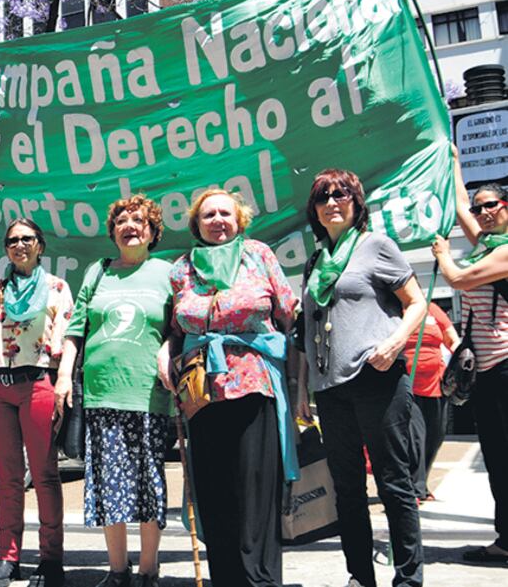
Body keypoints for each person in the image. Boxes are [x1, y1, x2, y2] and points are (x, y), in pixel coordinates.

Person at [296, 169, 426, 587]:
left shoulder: (376, 246)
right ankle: (360, 576)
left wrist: (394, 344)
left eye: (341, 195)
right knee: (347, 488)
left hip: (377, 379)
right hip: (330, 389)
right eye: (323, 197)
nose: (332, 203)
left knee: (393, 483)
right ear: (314, 210)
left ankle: (408, 578)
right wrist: (303, 388)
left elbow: (417, 302)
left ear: (357, 202)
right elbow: (306, 331)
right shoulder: (315, 262)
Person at [165, 190, 297, 587]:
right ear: (196, 224)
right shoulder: (182, 268)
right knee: (214, 490)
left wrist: (298, 381)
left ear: (239, 220)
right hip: (201, 392)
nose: (218, 220)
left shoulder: (258, 255)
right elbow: (176, 326)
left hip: (255, 384)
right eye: (208, 215)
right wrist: (164, 353)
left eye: (225, 213)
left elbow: (287, 313)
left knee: (255, 489)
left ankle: (260, 580)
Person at [56, 195, 174, 587]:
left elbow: (179, 325)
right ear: (113, 233)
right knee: (110, 486)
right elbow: (76, 328)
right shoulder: (98, 271)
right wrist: (63, 375)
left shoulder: (167, 273)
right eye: (121, 221)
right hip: (100, 395)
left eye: (138, 220)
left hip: (147, 395)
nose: (129, 226)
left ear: (152, 231)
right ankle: (118, 570)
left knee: (149, 484)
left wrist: (169, 348)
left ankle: (148, 570)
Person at [0, 218, 73, 587]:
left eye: (27, 239)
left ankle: (50, 559)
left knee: (45, 474)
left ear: (39, 245)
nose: (19, 245)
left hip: (38, 384)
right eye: (12, 240)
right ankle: (8, 557)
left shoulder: (57, 288)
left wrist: (62, 381)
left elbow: (66, 337)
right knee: (8, 478)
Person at [430, 150, 507, 563]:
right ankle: (505, 540)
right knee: (497, 457)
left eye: (491, 205)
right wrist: (452, 158)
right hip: (489, 373)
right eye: (480, 208)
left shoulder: (504, 251)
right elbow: (460, 204)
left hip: (506, 366)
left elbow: (458, 279)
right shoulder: (486, 245)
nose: (482, 213)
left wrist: (443, 253)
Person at [404, 302, 458, 502]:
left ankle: (421, 483)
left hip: (436, 383)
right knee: (416, 438)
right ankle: (414, 489)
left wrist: (462, 359)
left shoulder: (433, 309)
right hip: (407, 384)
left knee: (435, 437)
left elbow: (452, 339)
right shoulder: (392, 309)